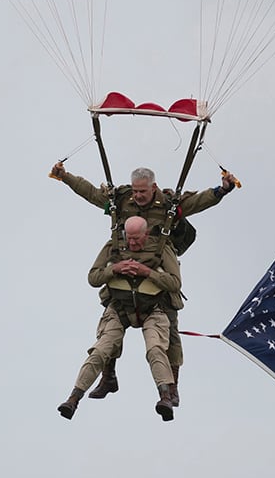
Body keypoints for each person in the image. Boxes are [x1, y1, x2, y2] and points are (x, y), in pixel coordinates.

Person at [50, 162, 237, 407]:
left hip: (158, 264)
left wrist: (222, 190)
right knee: (109, 328)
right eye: (135, 191)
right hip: (124, 265)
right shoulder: (122, 200)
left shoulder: (168, 205)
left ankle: (171, 388)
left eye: (143, 192)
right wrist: (65, 177)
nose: (137, 196)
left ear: (154, 187)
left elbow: (197, 202)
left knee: (168, 332)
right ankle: (108, 377)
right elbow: (92, 194)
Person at [58, 216, 181, 422]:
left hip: (153, 308)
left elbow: (175, 283)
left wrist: (147, 272)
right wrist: (115, 269)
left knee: (155, 349)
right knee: (101, 350)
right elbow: (93, 278)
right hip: (120, 308)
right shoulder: (113, 247)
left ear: (146, 234)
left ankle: (166, 397)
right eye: (129, 238)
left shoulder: (162, 248)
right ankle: (73, 399)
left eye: (137, 239)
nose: (132, 243)